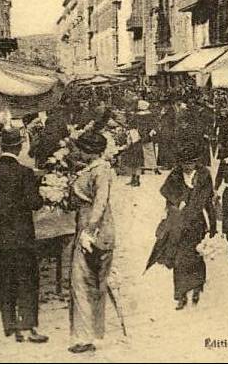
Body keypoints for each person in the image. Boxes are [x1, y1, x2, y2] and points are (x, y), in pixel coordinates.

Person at [0, 128, 49, 343]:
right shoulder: (25, 173)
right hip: (21, 237)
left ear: (2, 147)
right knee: (27, 280)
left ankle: (10, 326)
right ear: (19, 146)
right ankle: (27, 326)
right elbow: (34, 203)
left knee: (6, 280)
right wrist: (42, 195)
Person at [68, 132, 114, 354]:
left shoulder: (100, 170)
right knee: (94, 283)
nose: (77, 153)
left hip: (93, 231)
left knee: (82, 282)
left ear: (89, 151)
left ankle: (86, 336)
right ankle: (94, 333)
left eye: (81, 149)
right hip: (97, 231)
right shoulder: (95, 169)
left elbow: (100, 202)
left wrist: (89, 230)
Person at [159, 142, 217, 309]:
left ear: (196, 162)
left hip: (197, 223)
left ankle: (197, 287)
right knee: (179, 259)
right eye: (184, 163)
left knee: (196, 256)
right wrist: (175, 205)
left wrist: (212, 226)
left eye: (191, 163)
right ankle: (181, 294)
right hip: (179, 224)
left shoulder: (204, 175)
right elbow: (168, 198)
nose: (187, 166)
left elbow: (208, 202)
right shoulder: (175, 176)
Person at [124, 100, 155, 187]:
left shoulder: (136, 116)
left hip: (135, 138)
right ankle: (136, 179)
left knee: (135, 159)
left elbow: (131, 126)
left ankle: (135, 179)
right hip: (143, 138)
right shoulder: (150, 115)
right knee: (138, 159)